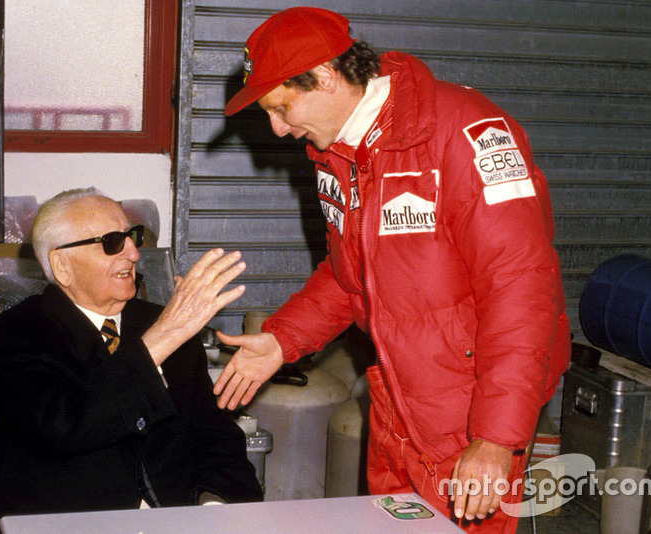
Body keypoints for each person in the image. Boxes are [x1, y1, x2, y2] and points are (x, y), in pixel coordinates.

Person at [214, 7, 570, 533]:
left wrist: (495, 439)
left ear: (328, 76)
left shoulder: (466, 133)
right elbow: (348, 274)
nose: (279, 129)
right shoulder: (336, 155)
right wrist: (283, 340)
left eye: (282, 107)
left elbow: (521, 289)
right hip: (395, 412)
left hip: (468, 423)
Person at [0, 188, 263, 533]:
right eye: (112, 242)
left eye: (133, 236)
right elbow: (66, 426)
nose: (134, 253)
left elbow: (215, 438)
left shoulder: (163, 323)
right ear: (62, 266)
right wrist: (161, 339)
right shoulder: (13, 337)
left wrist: (213, 509)